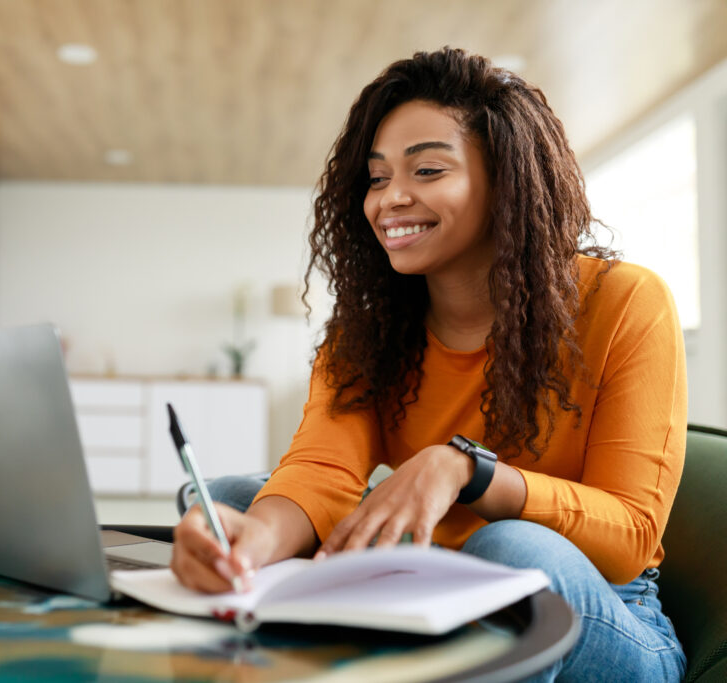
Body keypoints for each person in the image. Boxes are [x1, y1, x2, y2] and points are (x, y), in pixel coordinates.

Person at [171, 48, 687, 681]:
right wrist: (251, 546)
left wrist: (468, 470)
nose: (392, 199)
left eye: (428, 170)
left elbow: (630, 534)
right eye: (379, 177)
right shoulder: (369, 331)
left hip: (605, 617)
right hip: (428, 588)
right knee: (236, 503)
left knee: (510, 548)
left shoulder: (627, 301)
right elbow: (320, 469)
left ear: (508, 179)